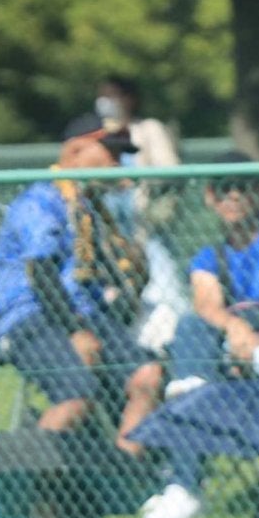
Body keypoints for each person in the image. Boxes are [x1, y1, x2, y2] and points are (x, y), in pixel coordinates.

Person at [138, 170, 259, 518]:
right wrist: (235, 328)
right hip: (235, 352)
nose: (233, 197)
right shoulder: (210, 256)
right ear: (210, 198)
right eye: (223, 189)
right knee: (191, 329)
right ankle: (184, 486)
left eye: (241, 188)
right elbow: (206, 303)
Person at [0, 113, 163, 456]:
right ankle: (20, 474)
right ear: (74, 150)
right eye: (110, 152)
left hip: (86, 312)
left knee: (148, 376)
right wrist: (74, 331)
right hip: (34, 315)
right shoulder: (41, 201)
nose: (117, 163)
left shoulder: (89, 208)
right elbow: (40, 272)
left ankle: (126, 470)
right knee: (76, 396)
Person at [95, 74, 188, 355]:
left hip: (145, 233)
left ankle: (171, 352)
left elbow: (170, 170)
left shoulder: (147, 129)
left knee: (164, 299)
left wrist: (135, 180)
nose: (106, 102)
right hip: (110, 241)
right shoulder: (95, 134)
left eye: (113, 95)